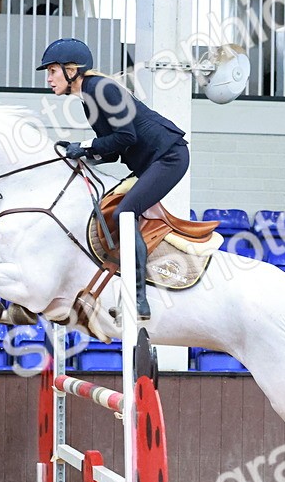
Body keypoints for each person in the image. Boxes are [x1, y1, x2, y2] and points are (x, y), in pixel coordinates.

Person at [37, 37, 189, 321]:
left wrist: (84, 147)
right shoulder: (88, 97)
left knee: (124, 211)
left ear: (72, 69)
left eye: (52, 71)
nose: (48, 79)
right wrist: (80, 154)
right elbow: (115, 148)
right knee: (111, 206)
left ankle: (138, 294)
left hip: (169, 157)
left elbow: (125, 136)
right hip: (152, 160)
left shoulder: (101, 89)